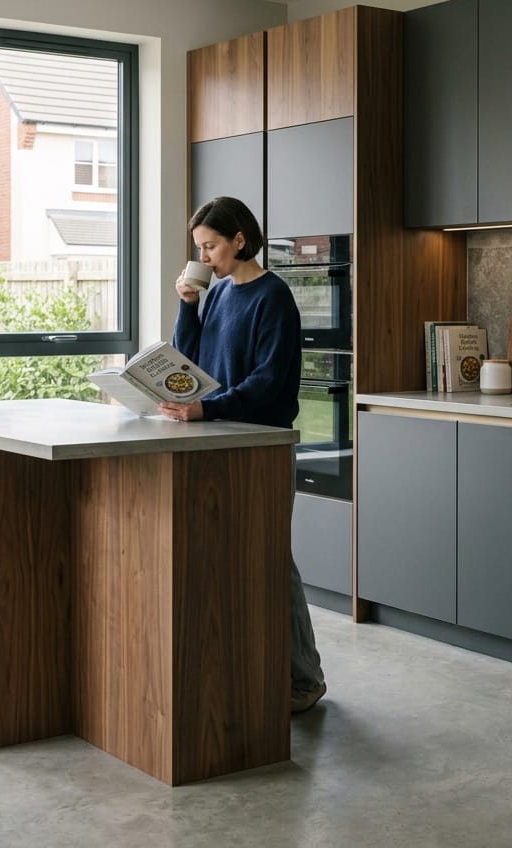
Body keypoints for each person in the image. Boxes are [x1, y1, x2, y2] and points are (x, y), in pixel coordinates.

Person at [159, 195, 327, 714]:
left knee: (271, 559)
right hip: (219, 439)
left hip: (261, 443)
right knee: (232, 559)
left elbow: (271, 381)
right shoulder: (219, 293)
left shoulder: (272, 296)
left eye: (210, 246)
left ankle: (304, 680)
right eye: (199, 249)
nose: (204, 257)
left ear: (238, 239)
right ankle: (250, 670)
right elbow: (190, 362)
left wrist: (209, 411)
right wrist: (188, 307)